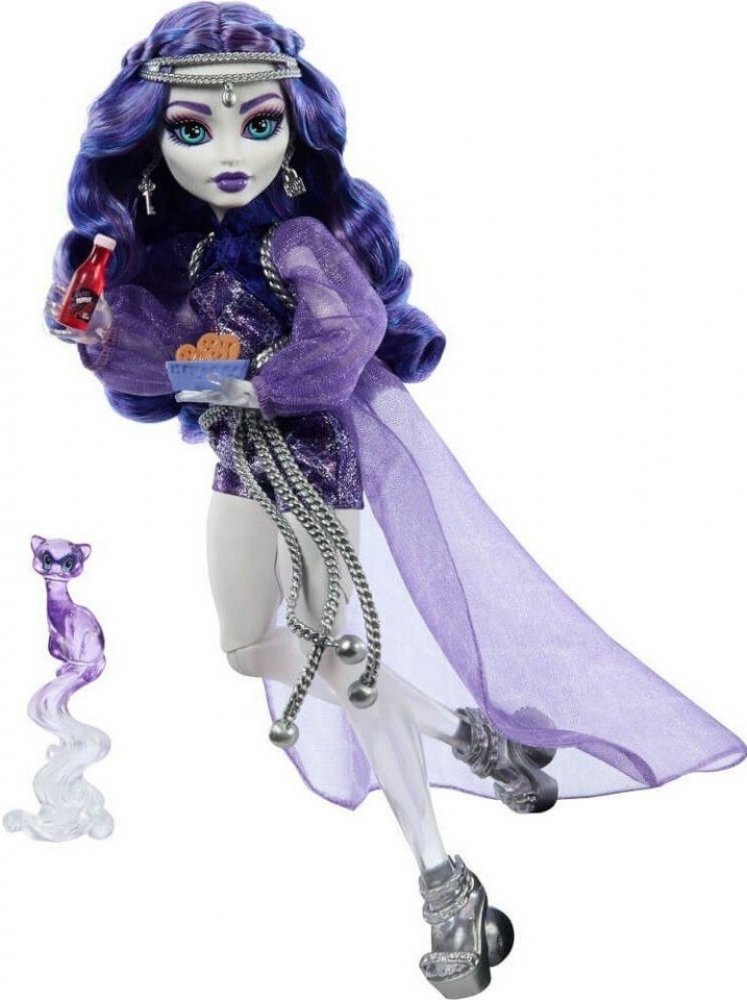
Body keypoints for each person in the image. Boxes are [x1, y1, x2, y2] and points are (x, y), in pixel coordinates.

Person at [46, 4, 746, 997]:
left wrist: (253, 383)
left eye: (258, 123)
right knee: (247, 647)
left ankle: (441, 879)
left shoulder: (300, 236)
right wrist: (98, 318)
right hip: (242, 462)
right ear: (151, 140)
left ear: (295, 128)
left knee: (341, 653)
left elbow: (346, 331)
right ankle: (474, 735)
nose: (230, 153)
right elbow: (148, 354)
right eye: (194, 130)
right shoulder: (180, 248)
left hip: (316, 457)